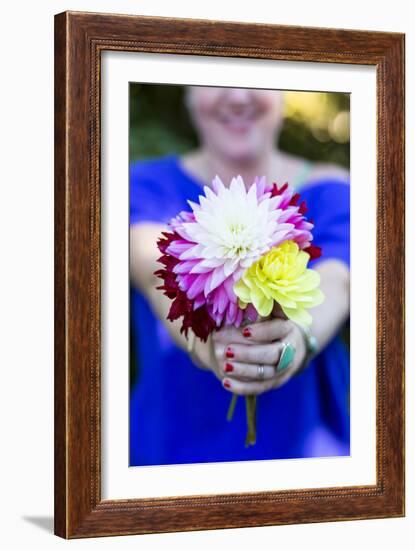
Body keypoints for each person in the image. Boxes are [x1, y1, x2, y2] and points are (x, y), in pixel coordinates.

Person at [129, 87, 350, 466]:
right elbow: (154, 269)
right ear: (187, 94)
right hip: (169, 454)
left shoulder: (334, 189)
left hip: (306, 458)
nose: (237, 94)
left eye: (254, 75)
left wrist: (295, 337)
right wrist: (204, 343)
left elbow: (338, 280)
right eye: (215, 78)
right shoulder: (143, 184)